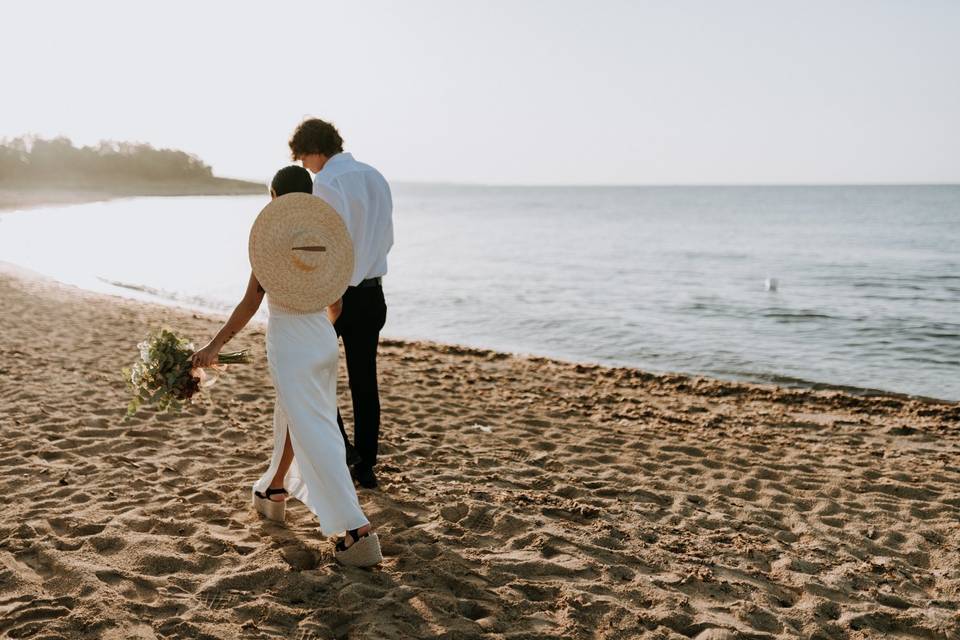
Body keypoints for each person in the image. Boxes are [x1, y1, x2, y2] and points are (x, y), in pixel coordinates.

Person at [191, 165, 381, 566]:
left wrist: (213, 345)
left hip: (292, 343)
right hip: (322, 340)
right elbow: (337, 304)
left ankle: (355, 529)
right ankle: (273, 489)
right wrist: (319, 334)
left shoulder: (272, 244)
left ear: (275, 198)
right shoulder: (323, 240)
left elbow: (249, 304)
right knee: (297, 417)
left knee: (318, 430)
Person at [289, 118, 394, 489]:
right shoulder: (375, 176)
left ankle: (347, 453)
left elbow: (330, 244)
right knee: (365, 381)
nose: (304, 165)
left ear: (315, 149)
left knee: (313, 375)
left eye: (303, 158)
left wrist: (329, 298)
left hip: (340, 295)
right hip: (374, 292)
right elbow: (386, 238)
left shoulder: (328, 182)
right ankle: (365, 465)